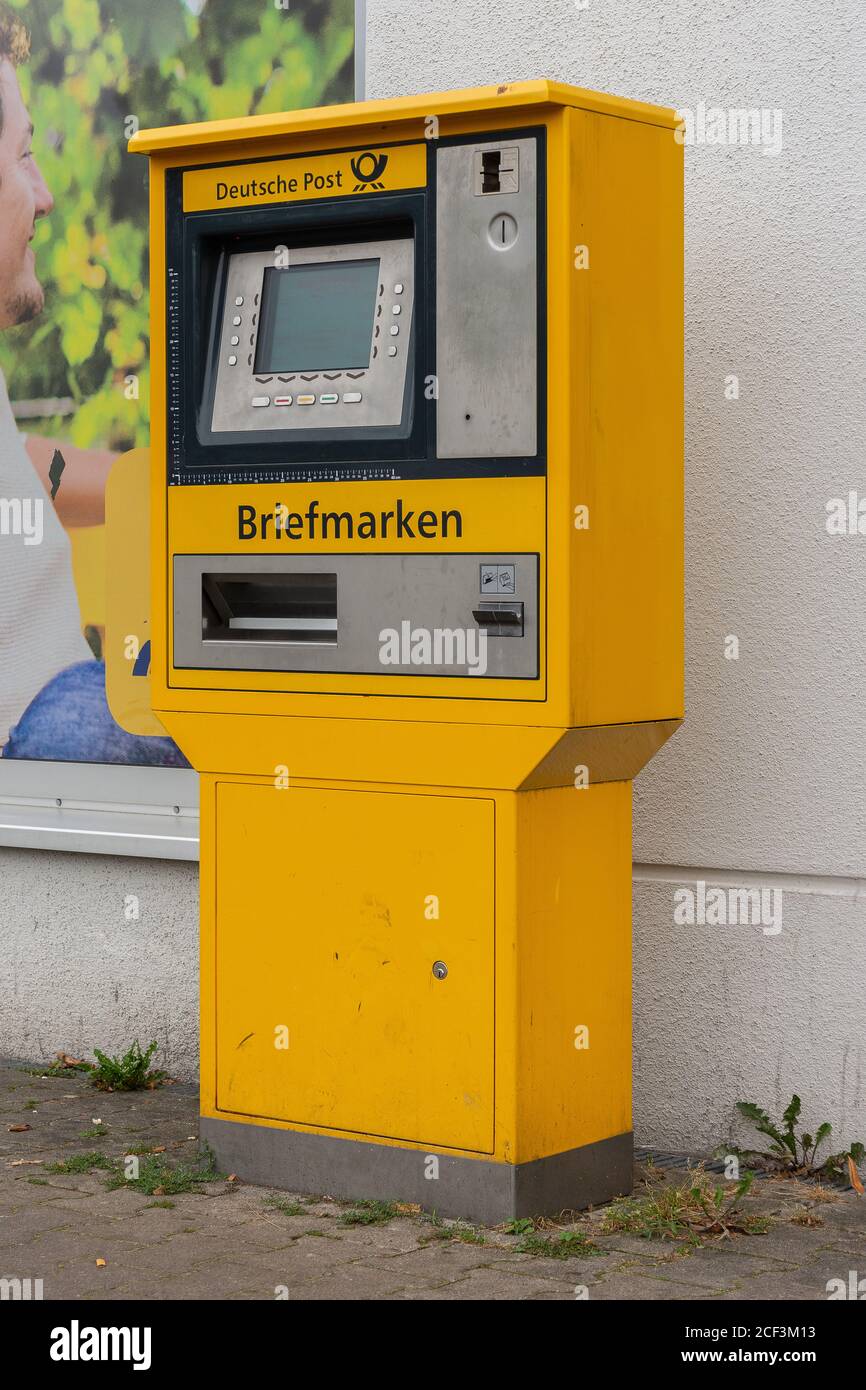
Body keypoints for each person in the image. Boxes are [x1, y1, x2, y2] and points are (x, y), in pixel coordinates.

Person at [0, 6, 186, 766]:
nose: (44, 194)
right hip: (37, 748)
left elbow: (16, 466)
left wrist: (165, 487)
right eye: (22, 157)